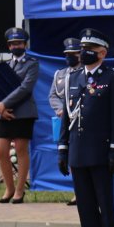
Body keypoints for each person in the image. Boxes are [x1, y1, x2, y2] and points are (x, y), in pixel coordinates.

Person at [59, 29, 114, 227]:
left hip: (101, 151)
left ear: (102, 53)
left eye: (90, 49)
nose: (85, 52)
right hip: (78, 151)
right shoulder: (73, 78)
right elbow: (68, 116)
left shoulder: (113, 78)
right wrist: (63, 149)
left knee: (106, 207)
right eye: (83, 48)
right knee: (85, 207)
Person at [0, 27, 39, 204]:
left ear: (25, 44)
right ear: (8, 46)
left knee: (21, 150)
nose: (15, 47)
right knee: (0, 151)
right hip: (4, 113)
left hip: (24, 112)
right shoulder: (6, 65)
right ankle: (9, 188)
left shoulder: (32, 63)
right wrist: (1, 108)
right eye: (12, 44)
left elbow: (25, 88)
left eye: (19, 43)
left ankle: (19, 190)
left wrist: (5, 103)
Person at [47, 37, 83, 206]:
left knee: (79, 156)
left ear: (80, 54)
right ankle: (76, 191)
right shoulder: (59, 74)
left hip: (80, 120)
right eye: (67, 54)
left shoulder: (85, 72)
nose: (70, 57)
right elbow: (53, 95)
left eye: (73, 53)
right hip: (63, 120)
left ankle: (82, 192)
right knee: (66, 156)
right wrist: (60, 110)